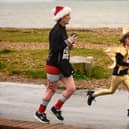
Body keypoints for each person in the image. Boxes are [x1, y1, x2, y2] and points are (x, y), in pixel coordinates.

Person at [34, 5, 77, 123]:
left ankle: (56, 108)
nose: (70, 17)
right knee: (51, 90)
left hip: (63, 65)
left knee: (71, 88)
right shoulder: (55, 31)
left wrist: (70, 45)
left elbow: (63, 47)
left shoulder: (63, 29)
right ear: (62, 17)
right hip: (53, 66)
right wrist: (67, 42)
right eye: (68, 15)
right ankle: (40, 112)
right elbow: (54, 49)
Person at [87, 26, 129, 115]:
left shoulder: (128, 49)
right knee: (111, 91)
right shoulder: (120, 50)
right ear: (124, 40)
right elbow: (119, 62)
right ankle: (93, 95)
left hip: (125, 75)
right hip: (117, 75)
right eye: (128, 39)